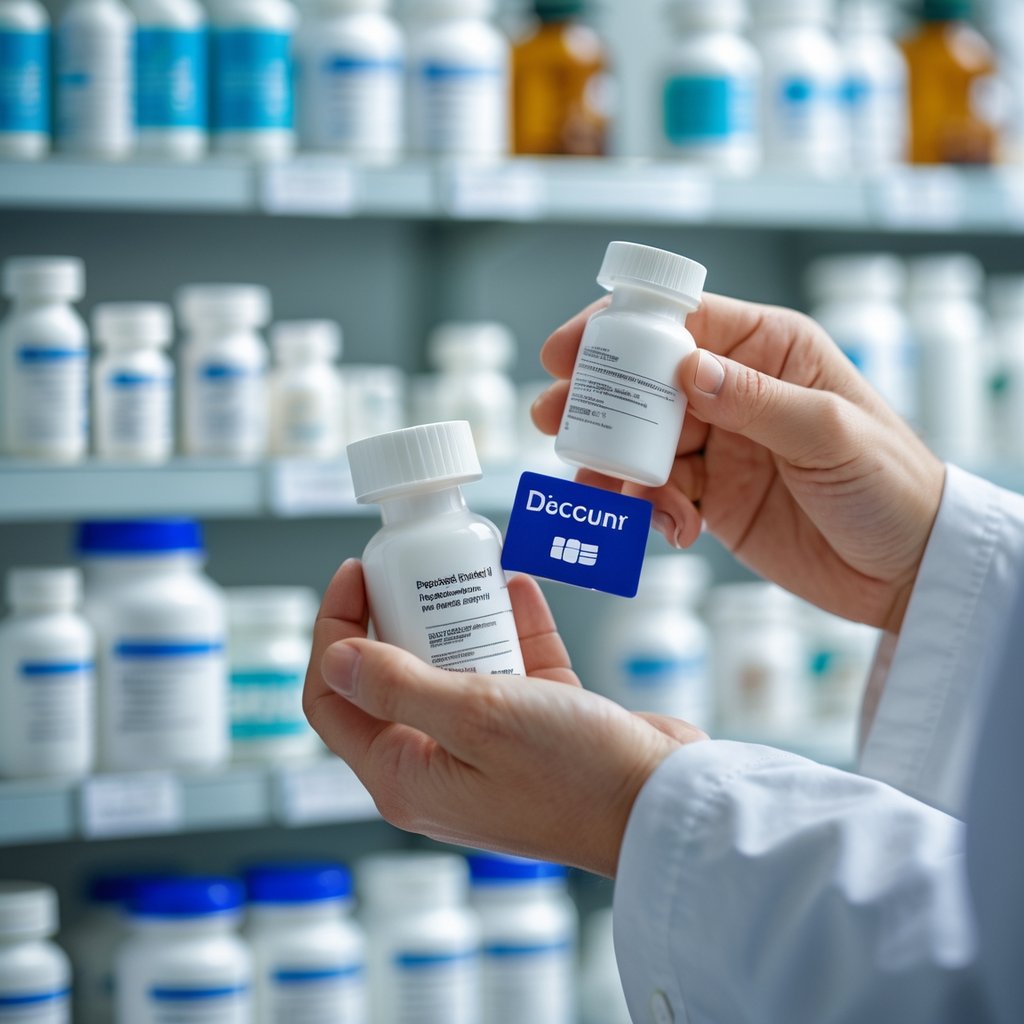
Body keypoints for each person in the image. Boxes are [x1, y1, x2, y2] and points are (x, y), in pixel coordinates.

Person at [303, 293, 1024, 1023]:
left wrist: (629, 799)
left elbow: (969, 961)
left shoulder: (447, 544)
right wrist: (929, 557)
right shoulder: (429, 547)